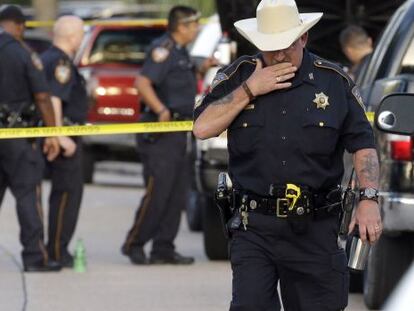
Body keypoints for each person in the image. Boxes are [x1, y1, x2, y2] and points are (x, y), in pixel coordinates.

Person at [193, 0, 382, 310]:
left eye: (287, 46)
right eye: (271, 48)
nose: (279, 55)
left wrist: (369, 199)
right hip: (254, 227)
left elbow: (363, 144)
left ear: (303, 38)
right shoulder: (239, 76)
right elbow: (202, 128)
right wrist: (250, 89)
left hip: (315, 228)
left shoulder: (334, 82)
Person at [121, 5, 204, 265]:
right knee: (159, 191)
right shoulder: (163, 49)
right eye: (193, 24)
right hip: (161, 132)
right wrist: (160, 109)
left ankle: (163, 247)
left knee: (177, 192)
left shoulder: (181, 52)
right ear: (181, 26)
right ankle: (134, 243)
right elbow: (142, 83)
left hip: (179, 131)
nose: (197, 29)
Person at [0, 5, 61, 272]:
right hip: (18, 137)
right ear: (21, 26)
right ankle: (35, 257)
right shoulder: (22, 53)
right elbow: (43, 97)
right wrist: (53, 133)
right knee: (27, 196)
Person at [40, 16, 88, 268]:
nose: (82, 39)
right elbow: (55, 100)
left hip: (62, 133)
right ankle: (58, 250)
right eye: (81, 34)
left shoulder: (47, 57)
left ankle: (57, 248)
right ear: (72, 37)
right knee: (67, 195)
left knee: (65, 194)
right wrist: (60, 136)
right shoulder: (61, 62)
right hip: (65, 136)